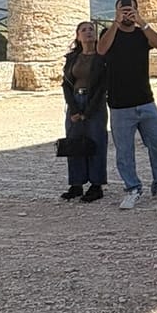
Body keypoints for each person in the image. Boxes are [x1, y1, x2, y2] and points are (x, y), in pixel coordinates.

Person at [98, 0, 157, 209]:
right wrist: (116, 24)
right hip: (119, 104)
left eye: (130, 10)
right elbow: (101, 50)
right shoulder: (109, 34)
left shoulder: (140, 34)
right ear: (116, 11)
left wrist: (142, 22)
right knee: (124, 151)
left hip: (146, 100)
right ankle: (132, 188)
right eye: (122, 10)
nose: (127, 13)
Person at [60, 20, 108, 202]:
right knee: (74, 143)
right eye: (84, 30)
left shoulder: (102, 58)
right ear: (78, 36)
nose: (88, 32)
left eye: (91, 29)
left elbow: (103, 86)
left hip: (94, 102)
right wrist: (73, 108)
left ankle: (96, 185)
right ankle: (76, 184)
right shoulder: (73, 57)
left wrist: (88, 111)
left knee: (96, 141)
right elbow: (66, 83)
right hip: (75, 99)